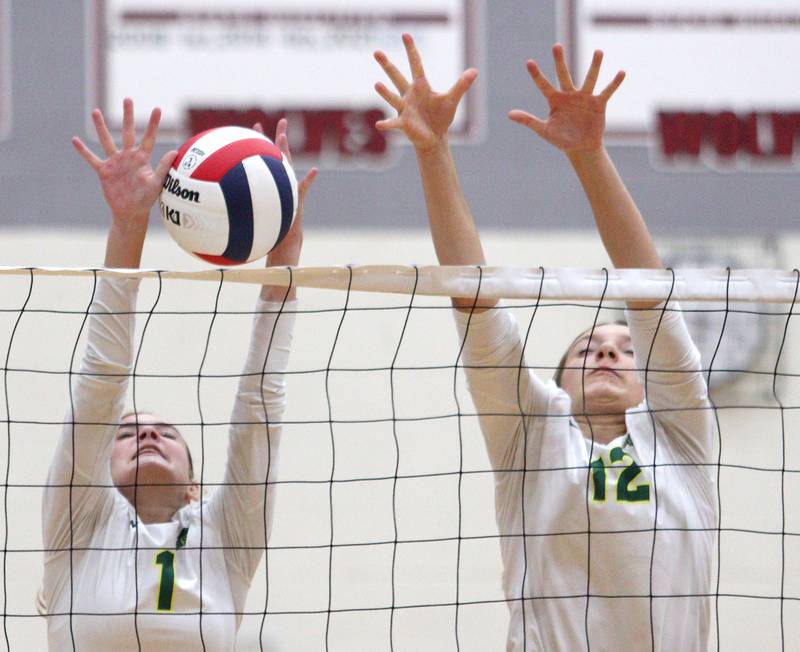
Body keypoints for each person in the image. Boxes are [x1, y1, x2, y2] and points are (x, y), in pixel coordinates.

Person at [374, 35, 715, 651]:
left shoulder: (681, 435)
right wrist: (433, 151)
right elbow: (474, 297)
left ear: (652, 381)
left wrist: (589, 156)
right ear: (559, 383)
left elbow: (647, 295)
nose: (608, 352)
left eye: (625, 350)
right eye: (587, 348)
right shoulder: (531, 435)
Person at [40, 98, 316, 650]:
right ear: (96, 464)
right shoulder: (81, 522)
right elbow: (102, 380)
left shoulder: (225, 538)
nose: (147, 434)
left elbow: (261, 404)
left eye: (166, 433)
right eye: (126, 434)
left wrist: (284, 256)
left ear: (194, 486)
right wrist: (128, 224)